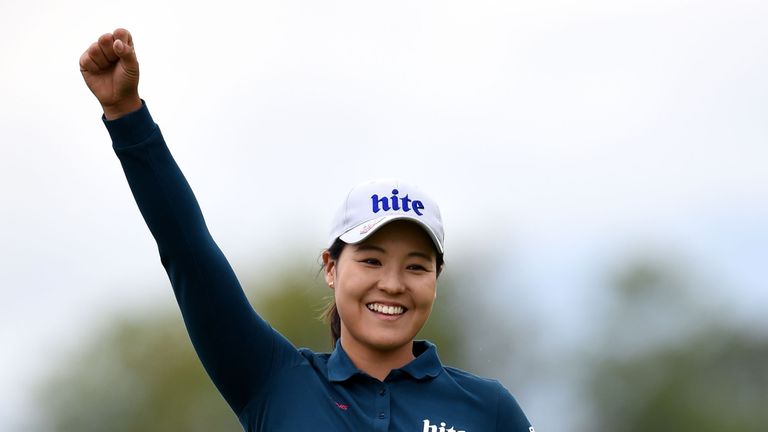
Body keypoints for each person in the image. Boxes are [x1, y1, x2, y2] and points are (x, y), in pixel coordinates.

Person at [79, 28, 535, 432]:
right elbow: (186, 249)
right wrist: (126, 115)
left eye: (416, 266)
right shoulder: (273, 380)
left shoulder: (489, 411)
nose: (392, 284)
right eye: (371, 259)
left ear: (435, 280)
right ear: (331, 267)